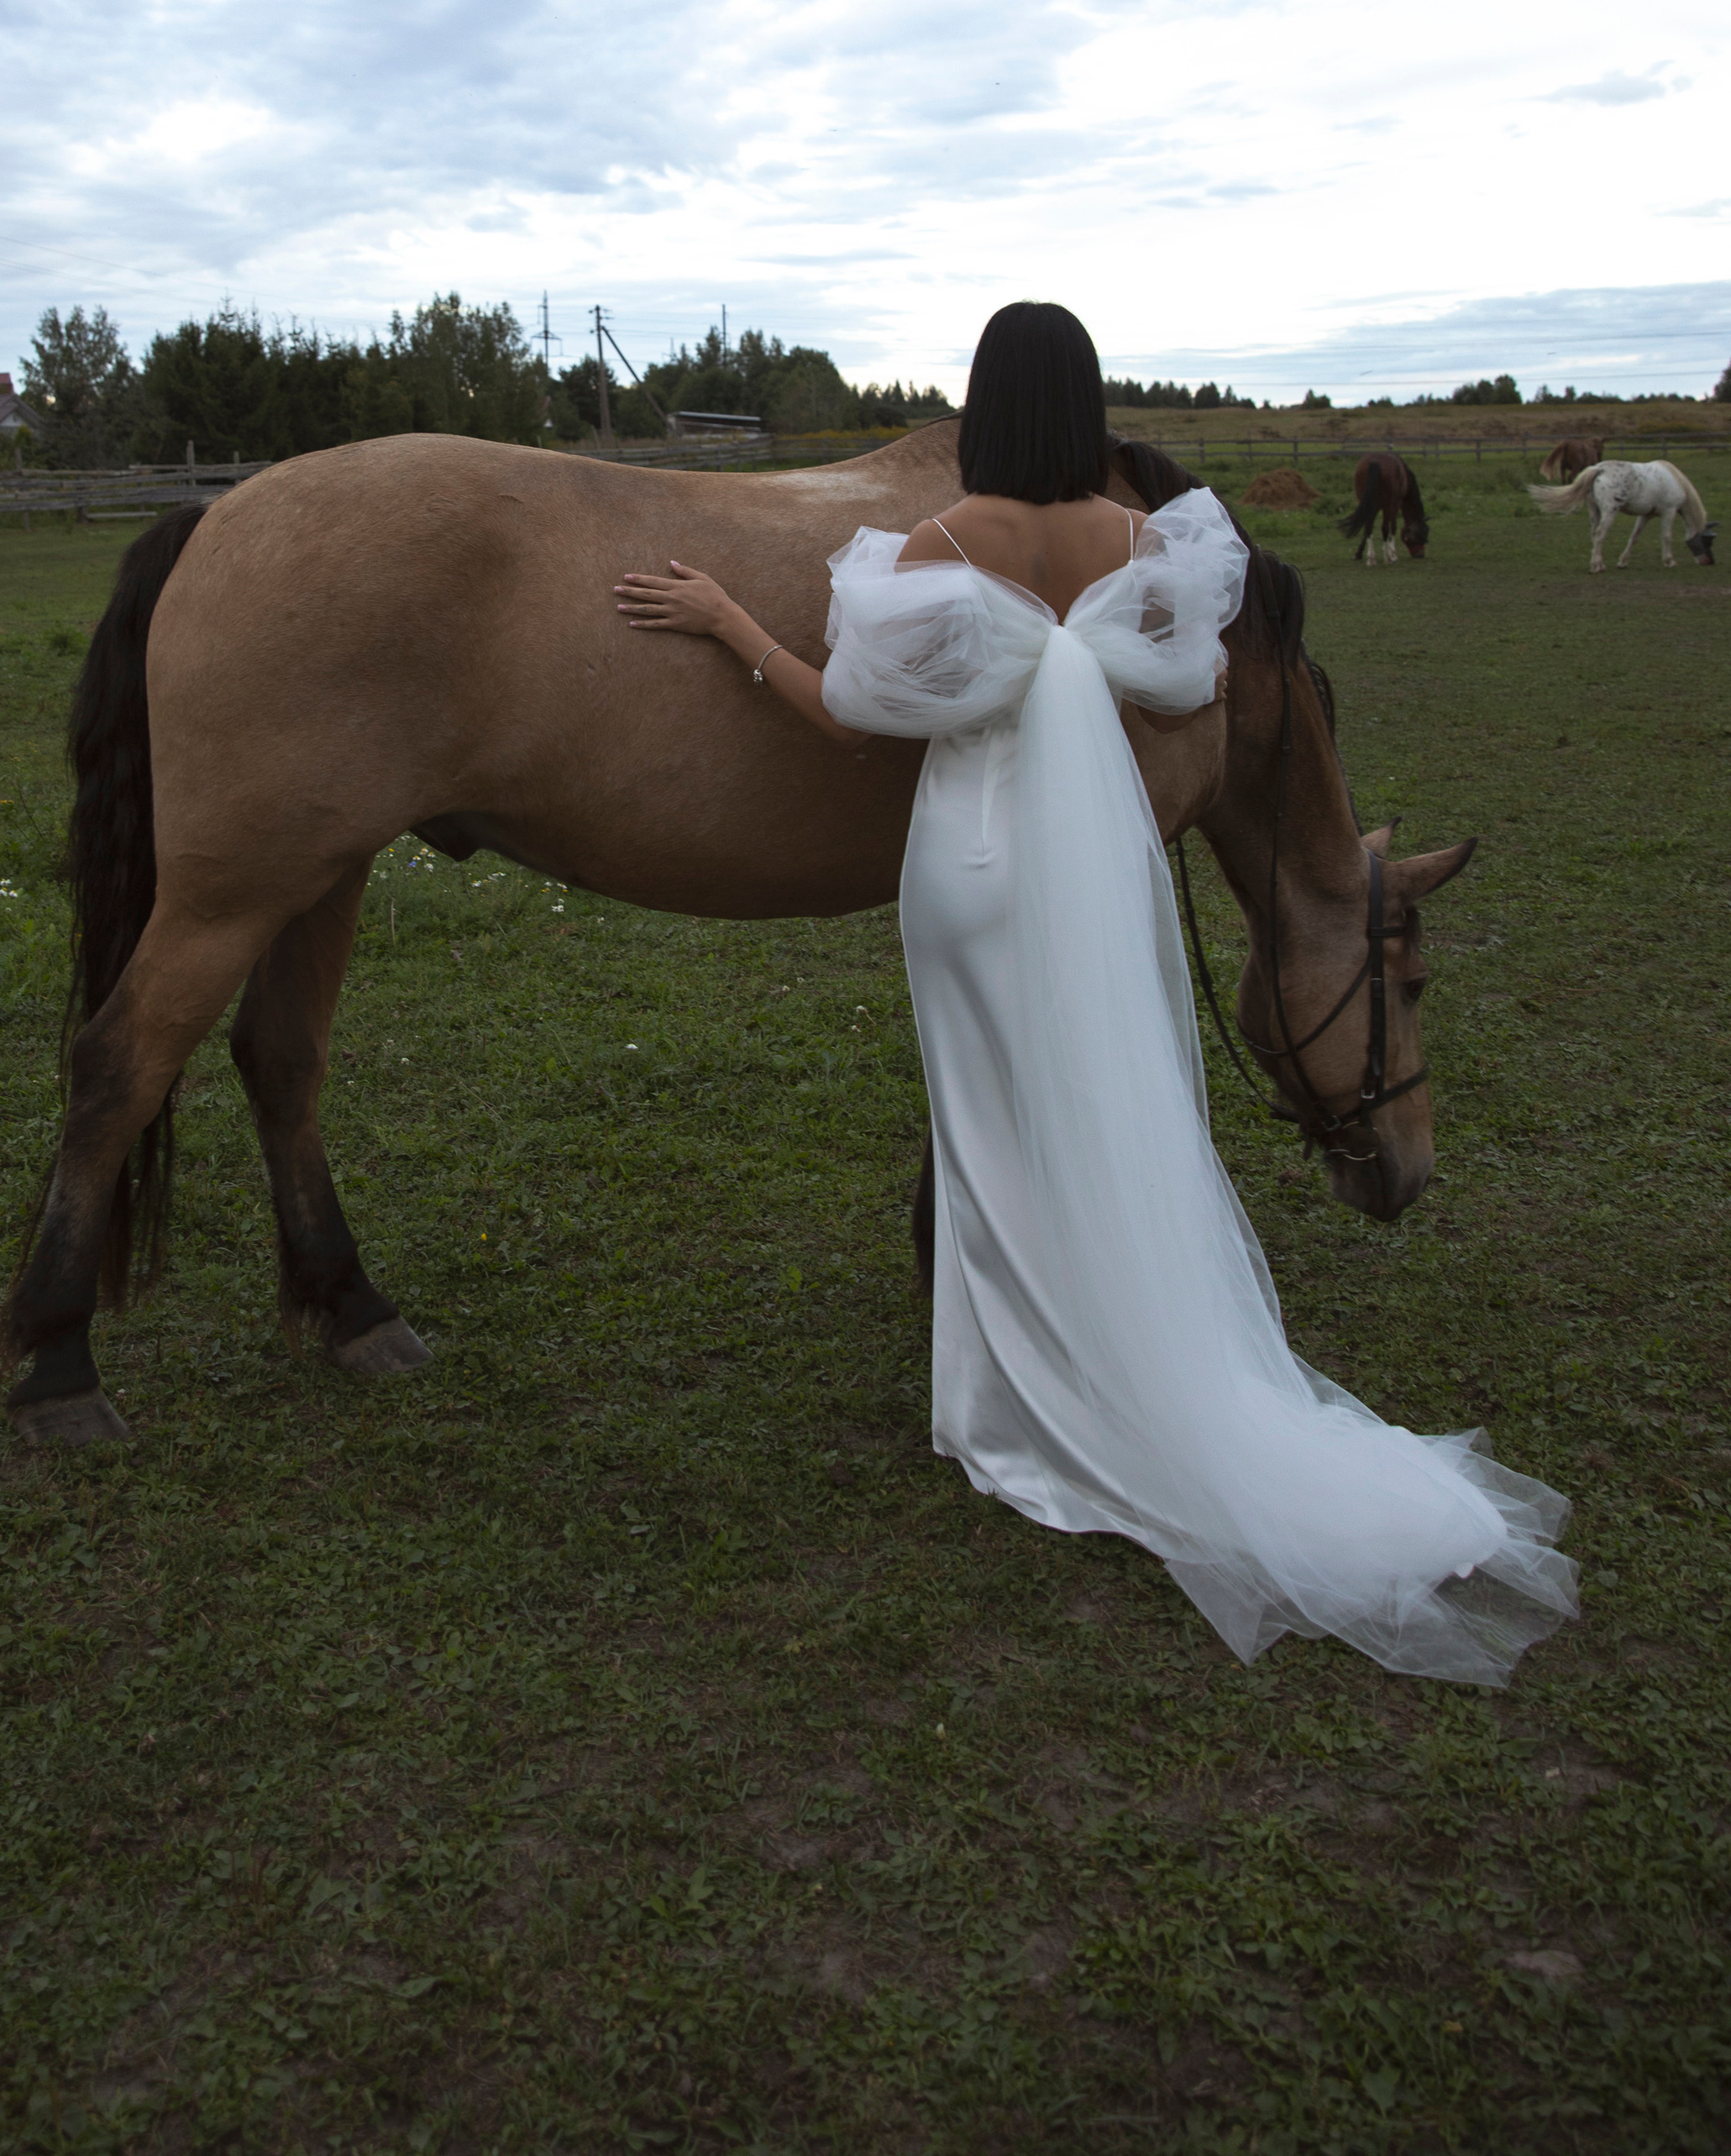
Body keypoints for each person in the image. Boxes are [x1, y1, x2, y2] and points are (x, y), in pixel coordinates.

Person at [614, 300, 1576, 1685]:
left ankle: (1014, 1404)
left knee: (985, 1118)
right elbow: (1191, 704)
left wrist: (720, 620)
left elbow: (848, 713)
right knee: (1087, 1098)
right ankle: (1101, 1373)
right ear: (1089, 407)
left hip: (968, 864)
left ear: (987, 410)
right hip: (1086, 867)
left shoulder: (942, 545)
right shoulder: (1143, 544)